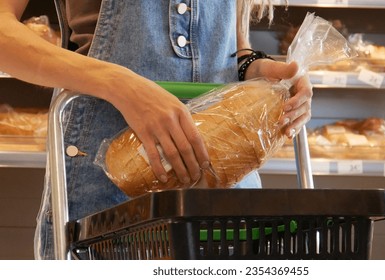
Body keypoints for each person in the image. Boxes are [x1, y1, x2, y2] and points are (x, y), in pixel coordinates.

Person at [0, 0, 313, 259]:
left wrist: (253, 68)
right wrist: (119, 84)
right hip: (108, 191)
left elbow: (232, 43)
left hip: (224, 191)